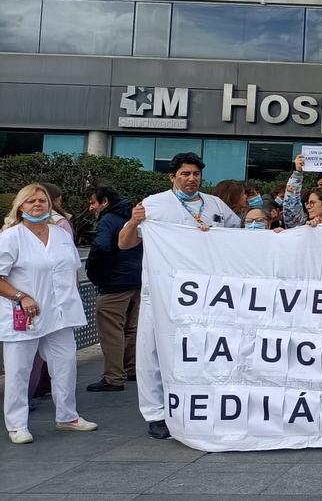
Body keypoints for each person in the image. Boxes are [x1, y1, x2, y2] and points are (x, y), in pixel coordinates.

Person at [117, 151, 242, 440]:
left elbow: (240, 235)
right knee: (152, 352)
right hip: (160, 292)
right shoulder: (153, 204)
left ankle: (197, 406)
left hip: (204, 294)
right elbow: (124, 244)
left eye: (196, 174)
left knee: (200, 350)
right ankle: (155, 413)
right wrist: (134, 222)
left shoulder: (216, 205)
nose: (191, 179)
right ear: (172, 177)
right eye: (185, 174)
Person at [1, 183, 97, 444]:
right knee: (19, 370)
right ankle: (17, 425)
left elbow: (70, 270)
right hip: (25, 315)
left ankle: (68, 416)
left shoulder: (61, 234)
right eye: (31, 201)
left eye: (42, 200)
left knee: (65, 366)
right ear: (21, 207)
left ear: (50, 204)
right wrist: (21, 297)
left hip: (61, 313)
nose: (37, 205)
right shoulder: (11, 237)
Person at [83, 185, 142, 393]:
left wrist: (93, 272)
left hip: (114, 282)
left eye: (92, 202)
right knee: (130, 328)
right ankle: (131, 368)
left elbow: (101, 247)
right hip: (137, 279)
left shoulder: (108, 220)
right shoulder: (132, 218)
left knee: (111, 330)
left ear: (104, 202)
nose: (91, 208)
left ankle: (113, 377)